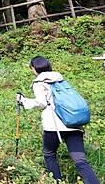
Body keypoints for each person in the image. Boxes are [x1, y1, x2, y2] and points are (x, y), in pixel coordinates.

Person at [16, 56, 100, 184]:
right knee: (80, 161)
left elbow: (42, 103)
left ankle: (57, 181)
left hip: (54, 126)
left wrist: (23, 101)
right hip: (74, 123)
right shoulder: (60, 79)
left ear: (34, 68)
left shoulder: (39, 82)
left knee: (49, 153)